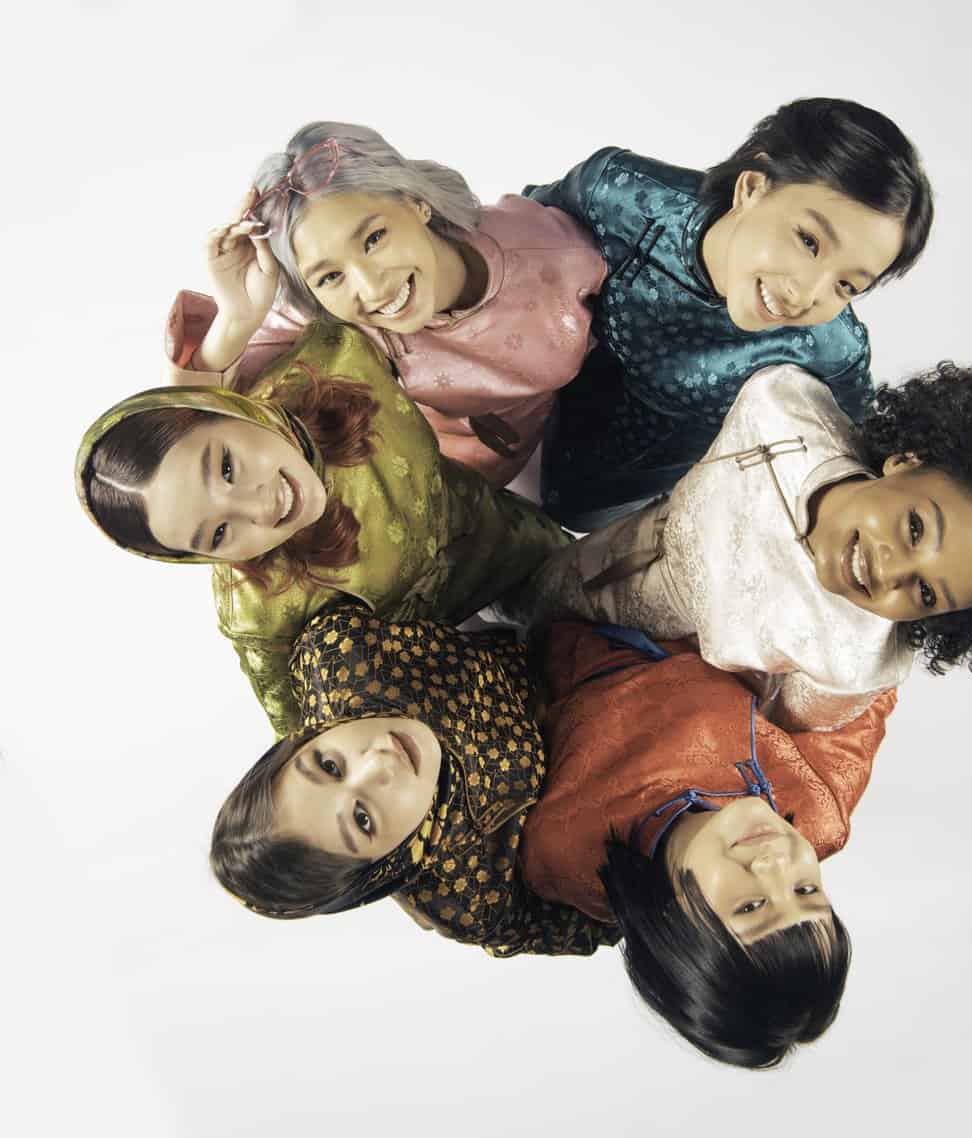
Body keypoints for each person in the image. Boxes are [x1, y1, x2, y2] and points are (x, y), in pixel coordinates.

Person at [210, 608, 894, 1067]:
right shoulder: (820, 804)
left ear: (676, 930)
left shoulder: (564, 846)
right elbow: (868, 677)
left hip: (564, 609)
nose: (776, 865)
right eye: (805, 889)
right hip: (693, 600)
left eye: (750, 906)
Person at [503, 361, 972, 729]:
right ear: (907, 461)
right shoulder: (785, 409)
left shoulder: (855, 663)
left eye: (926, 593)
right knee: (499, 582)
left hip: (594, 680)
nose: (890, 571)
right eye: (914, 528)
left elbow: (761, 731)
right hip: (577, 554)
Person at [76, 323, 570, 736]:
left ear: (231, 409)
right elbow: (304, 736)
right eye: (220, 534)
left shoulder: (337, 358)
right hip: (447, 660)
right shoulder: (257, 612)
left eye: (226, 467)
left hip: (505, 534)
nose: (257, 505)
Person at [523, 97, 934, 527]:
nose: (806, 293)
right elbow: (509, 249)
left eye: (846, 285)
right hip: (500, 424)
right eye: (809, 241)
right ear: (751, 187)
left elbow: (854, 461)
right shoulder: (621, 191)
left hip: (616, 520)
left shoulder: (832, 351)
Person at [166, 120, 606, 485]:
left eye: (374, 239)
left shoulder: (553, 253)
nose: (372, 288)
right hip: (429, 492)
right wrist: (239, 318)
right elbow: (189, 435)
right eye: (330, 275)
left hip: (558, 459)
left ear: (416, 203)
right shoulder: (318, 313)